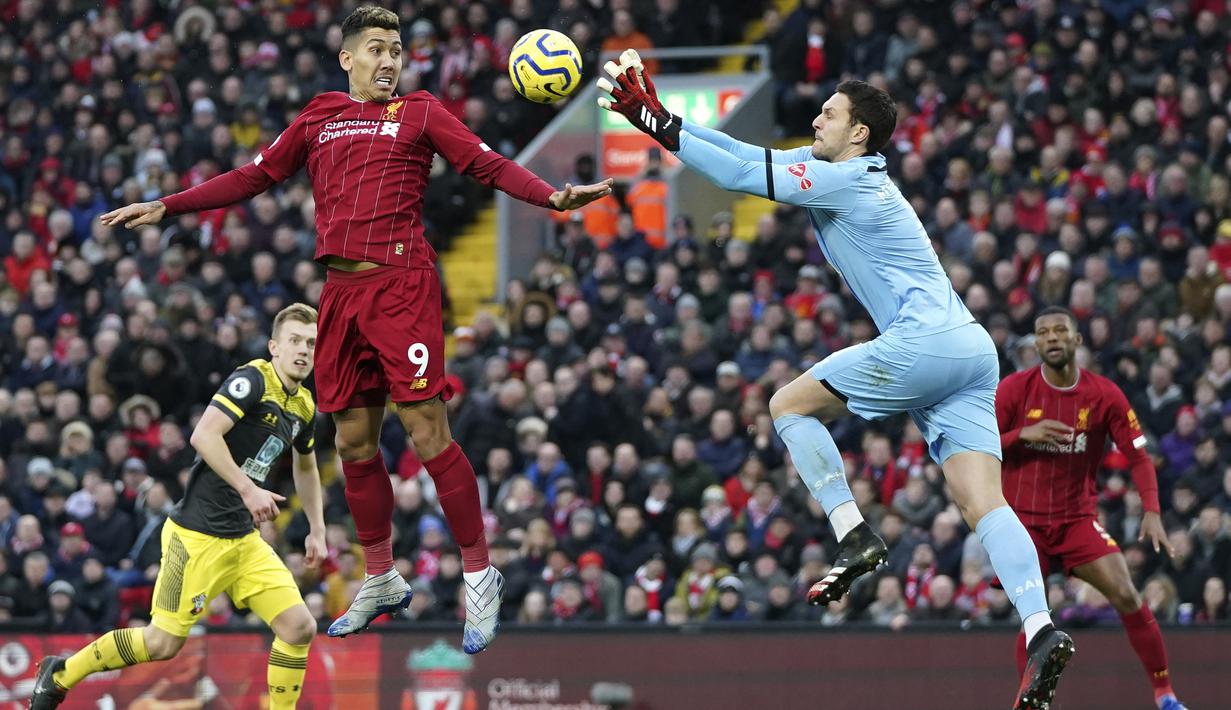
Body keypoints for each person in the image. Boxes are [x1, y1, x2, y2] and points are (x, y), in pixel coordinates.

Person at [99, 5, 613, 654]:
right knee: (351, 440)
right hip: (339, 295)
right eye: (376, 49)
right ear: (347, 58)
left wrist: (550, 196)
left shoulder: (421, 111)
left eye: (396, 50)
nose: (389, 60)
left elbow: (486, 164)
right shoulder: (320, 115)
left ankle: (480, 574)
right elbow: (255, 175)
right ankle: (381, 576)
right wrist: (168, 205)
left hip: (402, 286)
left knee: (426, 429)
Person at [597, 56, 1070, 709]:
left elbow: (736, 175)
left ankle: (853, 532)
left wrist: (653, 126)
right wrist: (664, 118)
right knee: (982, 503)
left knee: (787, 405)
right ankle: (1040, 628)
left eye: (829, 113)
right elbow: (742, 152)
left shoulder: (843, 180)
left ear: (858, 134)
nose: (816, 119)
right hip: (970, 349)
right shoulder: (847, 172)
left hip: (925, 342)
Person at [30, 304, 327, 710]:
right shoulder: (253, 380)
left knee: (298, 627)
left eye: (311, 343)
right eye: (294, 340)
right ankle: (60, 674)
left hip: (243, 541)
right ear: (275, 346)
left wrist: (317, 529)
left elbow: (306, 466)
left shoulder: (304, 406)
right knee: (162, 643)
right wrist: (248, 489)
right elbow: (203, 436)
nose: (303, 350)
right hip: (196, 537)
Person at [997, 307, 1188, 710]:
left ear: (1077, 340)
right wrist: (1023, 434)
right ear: (1036, 343)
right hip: (1023, 525)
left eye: (1060, 330)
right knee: (1034, 615)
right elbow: (979, 447)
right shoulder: (1014, 390)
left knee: (1127, 595)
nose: (1051, 337)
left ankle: (1165, 694)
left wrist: (1152, 510)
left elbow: (1138, 455)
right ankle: (1029, 703)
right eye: (1043, 332)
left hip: (1077, 521)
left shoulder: (1104, 395)